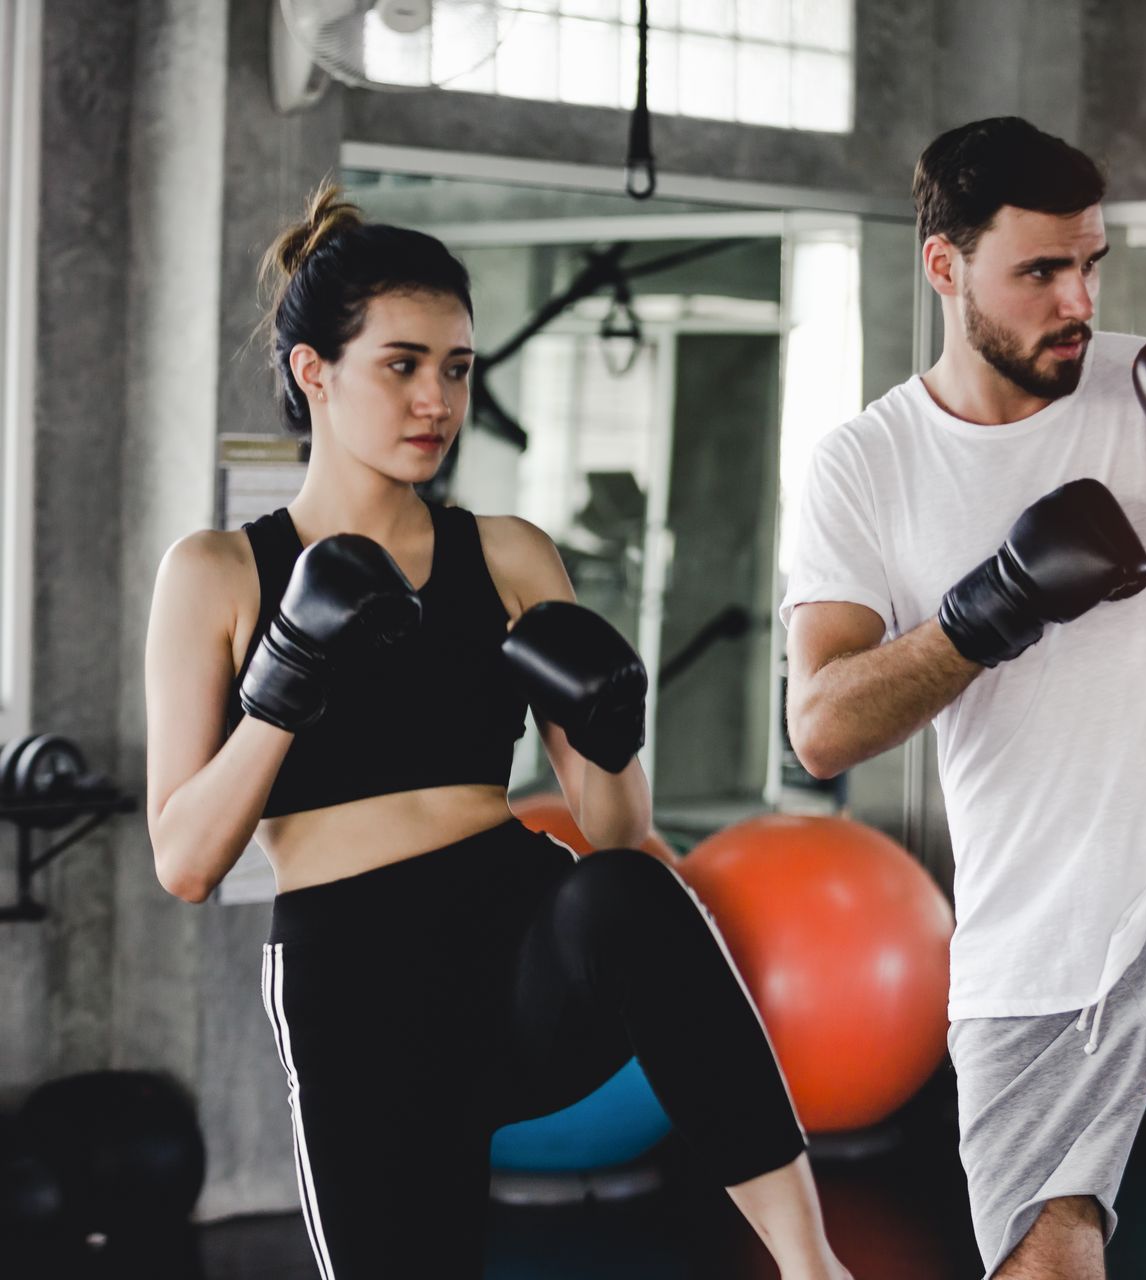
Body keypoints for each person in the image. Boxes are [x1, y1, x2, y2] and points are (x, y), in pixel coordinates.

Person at [142, 186, 853, 1280]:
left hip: (515, 946)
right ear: (313, 372)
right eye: (403, 363)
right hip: (357, 980)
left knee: (640, 894)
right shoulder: (221, 572)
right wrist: (284, 671)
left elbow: (619, 833)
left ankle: (815, 1267)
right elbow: (186, 860)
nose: (437, 397)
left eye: (459, 367)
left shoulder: (509, 554)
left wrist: (613, 730)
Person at [782, 116, 1146, 1280]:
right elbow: (823, 726)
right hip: (1034, 928)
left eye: (1090, 263)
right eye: (1041, 271)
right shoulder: (868, 462)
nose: (1077, 299)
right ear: (945, 265)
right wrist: (988, 607)